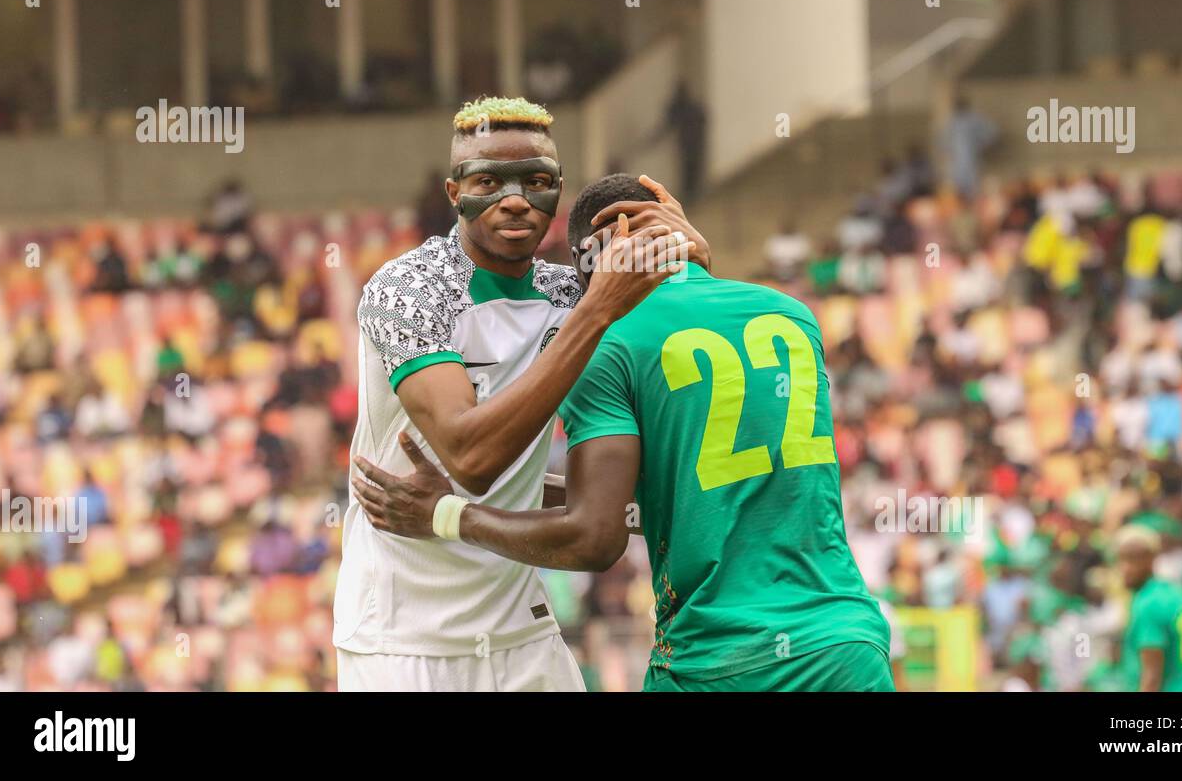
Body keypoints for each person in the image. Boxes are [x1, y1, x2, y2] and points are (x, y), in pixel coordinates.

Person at [352, 173, 892, 692]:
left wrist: (446, 515)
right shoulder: (793, 315)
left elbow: (594, 535)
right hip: (847, 643)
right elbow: (687, 486)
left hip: (717, 658)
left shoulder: (607, 342)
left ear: (594, 263)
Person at [333, 98, 708, 692]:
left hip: (523, 632)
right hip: (403, 641)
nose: (515, 200)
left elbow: (701, 321)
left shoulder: (570, 295)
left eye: (536, 182)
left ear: (557, 192)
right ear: (455, 193)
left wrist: (694, 259)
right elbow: (472, 460)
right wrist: (598, 310)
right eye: (489, 181)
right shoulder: (408, 289)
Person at [1116, 524, 1182, 691]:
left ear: (1151, 559)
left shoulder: (1148, 603)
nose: (1125, 568)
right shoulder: (1174, 593)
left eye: (1133, 559)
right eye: (1121, 559)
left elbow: (1152, 676)